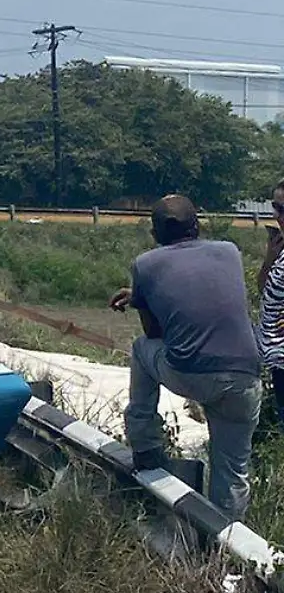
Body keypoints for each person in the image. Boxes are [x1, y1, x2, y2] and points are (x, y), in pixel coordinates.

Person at [109, 193, 263, 519]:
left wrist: (142, 297)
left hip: (189, 374)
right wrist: (142, 296)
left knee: (140, 349)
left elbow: (154, 334)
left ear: (155, 235)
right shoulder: (229, 252)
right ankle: (225, 551)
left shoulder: (146, 264)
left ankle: (146, 444)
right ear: (199, 225)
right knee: (233, 471)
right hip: (245, 377)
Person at [260, 180, 284, 405]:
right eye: (276, 207)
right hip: (277, 361)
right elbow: (263, 289)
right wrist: (271, 257)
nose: (278, 215)